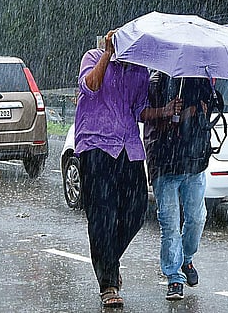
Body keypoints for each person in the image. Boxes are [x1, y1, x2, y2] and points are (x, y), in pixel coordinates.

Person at [74, 31, 181, 308]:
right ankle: (108, 284)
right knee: (102, 215)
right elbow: (91, 86)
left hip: (129, 148)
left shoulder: (139, 72)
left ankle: (108, 261)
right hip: (96, 146)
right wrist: (108, 55)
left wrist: (166, 111)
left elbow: (140, 110)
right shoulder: (93, 58)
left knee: (135, 211)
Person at [144, 72, 215, 301]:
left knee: (197, 218)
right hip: (165, 163)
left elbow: (210, 109)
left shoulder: (201, 78)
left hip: (194, 160)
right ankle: (174, 277)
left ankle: (186, 258)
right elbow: (147, 117)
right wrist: (169, 112)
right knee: (170, 223)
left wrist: (202, 108)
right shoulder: (156, 82)